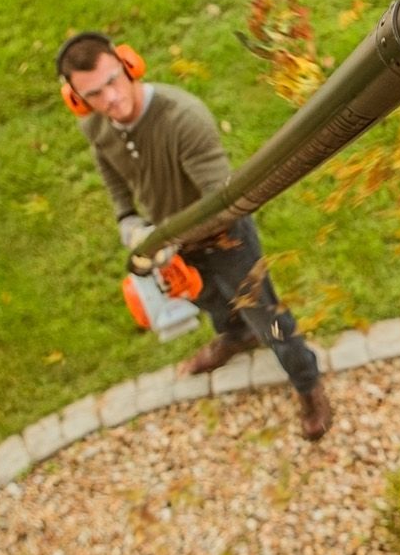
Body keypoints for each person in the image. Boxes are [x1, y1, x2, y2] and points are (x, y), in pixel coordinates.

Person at [55, 30, 333, 441]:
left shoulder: (182, 117)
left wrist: (168, 239)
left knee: (267, 317)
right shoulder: (97, 127)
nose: (110, 99)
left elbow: (228, 201)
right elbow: (113, 176)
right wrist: (128, 222)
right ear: (77, 100)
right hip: (171, 242)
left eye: (114, 80)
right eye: (94, 93)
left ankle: (308, 385)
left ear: (129, 65)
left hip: (225, 236)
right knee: (210, 302)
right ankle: (234, 338)